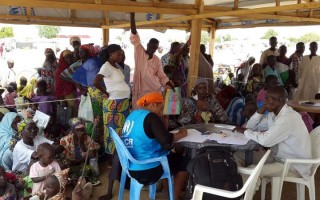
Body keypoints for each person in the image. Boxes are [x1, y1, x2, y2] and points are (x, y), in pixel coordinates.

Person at [233, 86, 312, 180]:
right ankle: (236, 183)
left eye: (268, 99)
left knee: (252, 171)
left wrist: (245, 131)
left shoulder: (287, 118)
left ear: (280, 100)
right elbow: (251, 126)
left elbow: (265, 140)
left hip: (293, 165)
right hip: (277, 157)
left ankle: (241, 193)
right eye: (265, 98)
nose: (265, 102)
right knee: (237, 156)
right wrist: (261, 110)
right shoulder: (273, 114)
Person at [121, 92, 188, 200]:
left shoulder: (132, 115)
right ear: (153, 105)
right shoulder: (151, 117)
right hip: (147, 170)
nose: (161, 113)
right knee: (184, 162)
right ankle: (174, 197)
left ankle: (167, 190)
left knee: (168, 157)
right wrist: (182, 134)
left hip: (130, 167)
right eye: (160, 109)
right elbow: (167, 142)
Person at [129, 13, 172, 110]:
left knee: (151, 112)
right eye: (150, 46)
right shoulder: (140, 52)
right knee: (139, 111)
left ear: (157, 48)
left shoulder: (156, 60)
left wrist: (169, 84)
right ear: (147, 44)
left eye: (154, 47)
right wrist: (132, 15)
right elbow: (134, 34)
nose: (151, 48)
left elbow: (161, 75)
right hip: (140, 90)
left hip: (153, 90)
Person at [93, 44, 130, 155]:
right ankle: (112, 159)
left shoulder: (116, 66)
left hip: (122, 103)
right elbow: (96, 82)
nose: (121, 56)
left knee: (121, 130)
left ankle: (120, 156)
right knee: (113, 131)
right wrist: (106, 93)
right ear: (111, 54)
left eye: (121, 54)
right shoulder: (106, 66)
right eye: (118, 54)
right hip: (114, 104)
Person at [59, 118, 100, 184]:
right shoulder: (64, 140)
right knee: (70, 174)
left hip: (82, 164)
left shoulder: (86, 138)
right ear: (72, 130)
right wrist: (83, 157)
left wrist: (81, 143)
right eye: (77, 130)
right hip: (70, 165)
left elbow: (89, 156)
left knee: (87, 170)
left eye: (82, 129)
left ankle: (82, 179)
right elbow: (65, 160)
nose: (81, 132)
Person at [54, 50, 76, 116]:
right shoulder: (60, 70)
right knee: (71, 109)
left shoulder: (74, 66)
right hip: (66, 93)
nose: (69, 59)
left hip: (75, 91)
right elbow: (58, 85)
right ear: (63, 59)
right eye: (66, 57)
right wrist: (61, 97)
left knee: (75, 109)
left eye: (70, 57)